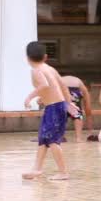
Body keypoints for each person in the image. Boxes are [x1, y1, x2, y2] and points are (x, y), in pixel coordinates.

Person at [22, 41, 79, 181]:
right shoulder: (49, 68)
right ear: (45, 57)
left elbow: (44, 85)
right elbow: (62, 86)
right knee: (44, 138)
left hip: (54, 108)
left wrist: (29, 97)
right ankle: (37, 169)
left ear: (28, 58)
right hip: (56, 106)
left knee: (52, 140)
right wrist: (69, 103)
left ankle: (63, 172)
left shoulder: (36, 70)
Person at [61, 75, 94, 143]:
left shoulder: (77, 81)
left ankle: (61, 137)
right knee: (77, 115)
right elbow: (88, 109)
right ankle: (78, 138)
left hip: (60, 88)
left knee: (61, 115)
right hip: (70, 89)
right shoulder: (82, 87)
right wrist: (90, 131)